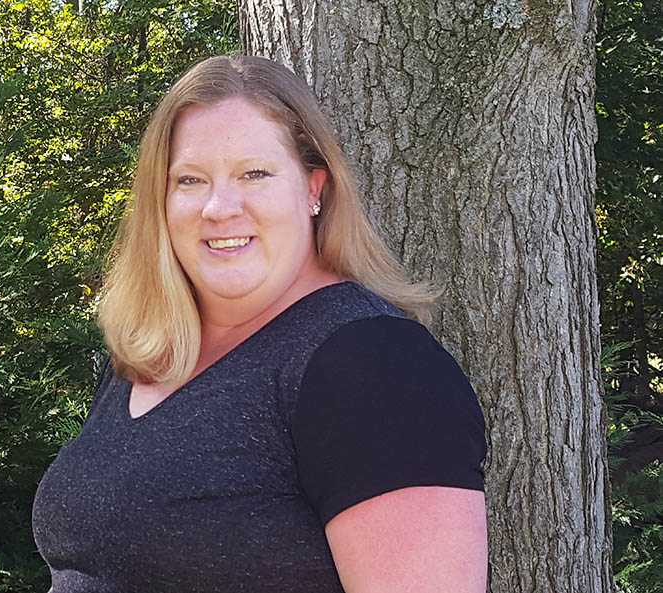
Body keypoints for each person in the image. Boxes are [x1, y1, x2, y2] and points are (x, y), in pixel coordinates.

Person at [31, 54, 488, 592]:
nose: (220, 207)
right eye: (191, 180)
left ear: (313, 188)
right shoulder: (152, 354)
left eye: (255, 173)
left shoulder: (375, 367)